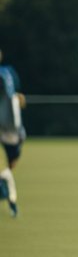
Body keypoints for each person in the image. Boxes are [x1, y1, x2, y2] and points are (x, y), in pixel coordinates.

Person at [0, 48, 25, 217]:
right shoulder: (9, 72)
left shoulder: (6, 73)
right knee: (6, 167)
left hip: (9, 128)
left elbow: (16, 97)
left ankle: (7, 193)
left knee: (7, 167)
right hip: (12, 129)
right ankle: (11, 199)